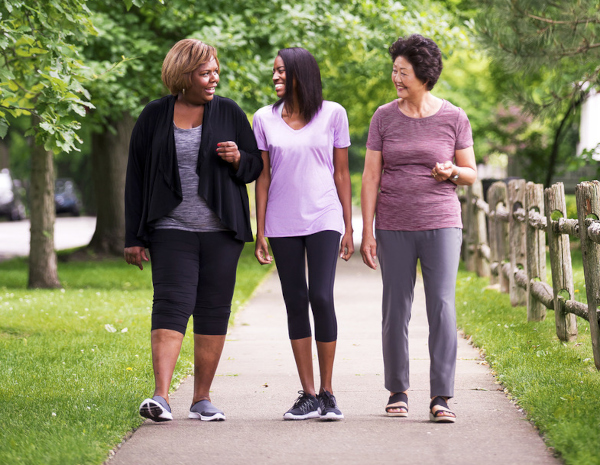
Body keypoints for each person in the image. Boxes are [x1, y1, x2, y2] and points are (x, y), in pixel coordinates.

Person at [124, 39, 263, 422]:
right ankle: (161, 397)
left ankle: (202, 398)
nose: (214, 77)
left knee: (213, 311)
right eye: (206, 72)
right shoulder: (154, 115)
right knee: (170, 304)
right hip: (170, 229)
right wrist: (133, 237)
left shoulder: (230, 112)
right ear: (184, 75)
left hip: (221, 231)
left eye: (216, 70)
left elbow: (254, 168)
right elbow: (135, 177)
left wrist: (239, 159)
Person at [360, 34, 477, 423]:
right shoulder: (383, 117)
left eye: (403, 71)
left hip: (441, 222)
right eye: (394, 70)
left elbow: (470, 173)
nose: (396, 77)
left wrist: (452, 172)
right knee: (396, 308)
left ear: (423, 75)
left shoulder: (454, 117)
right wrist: (368, 231)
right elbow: (370, 175)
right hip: (393, 224)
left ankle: (442, 395)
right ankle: (398, 389)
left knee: (441, 306)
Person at [253, 47, 354, 421]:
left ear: (300, 74)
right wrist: (259, 229)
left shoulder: (334, 113)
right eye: (274, 72)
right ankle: (308, 394)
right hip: (282, 221)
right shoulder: (263, 117)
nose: (276, 77)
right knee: (295, 300)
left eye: (281, 71)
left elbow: (341, 173)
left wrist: (349, 224)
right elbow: (262, 176)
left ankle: (328, 392)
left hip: (324, 216)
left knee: (321, 296)